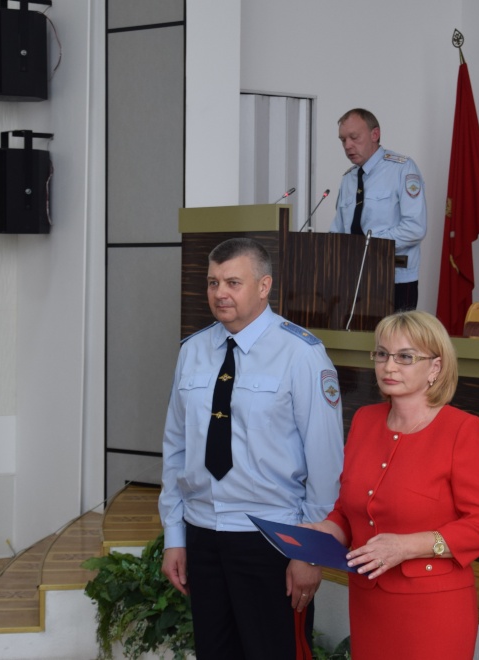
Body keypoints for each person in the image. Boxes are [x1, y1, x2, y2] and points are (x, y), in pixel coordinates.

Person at [158, 237, 345, 660]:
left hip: (273, 539)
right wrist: (175, 536)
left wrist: (309, 551)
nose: (220, 293)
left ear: (264, 286)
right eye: (213, 282)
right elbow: (175, 450)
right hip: (203, 533)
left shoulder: (301, 354)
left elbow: (326, 460)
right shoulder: (193, 351)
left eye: (233, 282)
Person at [307, 310, 479, 659]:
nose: (389, 366)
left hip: (434, 609)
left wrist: (406, 546)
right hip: (368, 604)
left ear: (435, 367)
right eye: (382, 354)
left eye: (405, 357)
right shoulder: (365, 420)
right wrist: (322, 532)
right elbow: (347, 510)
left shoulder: (462, 429)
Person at [329, 108, 427, 311]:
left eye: (354, 137)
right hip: (353, 279)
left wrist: (369, 247)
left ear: (375, 134)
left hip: (395, 280)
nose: (348, 146)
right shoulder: (348, 179)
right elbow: (337, 232)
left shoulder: (402, 169)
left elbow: (415, 228)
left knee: (394, 333)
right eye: (343, 140)